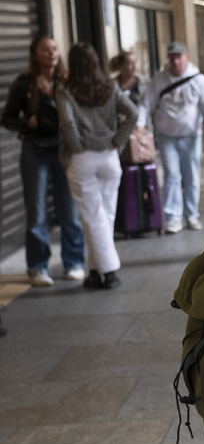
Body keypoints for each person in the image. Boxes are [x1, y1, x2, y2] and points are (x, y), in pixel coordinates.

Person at [1, 37, 86, 287]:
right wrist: (26, 123)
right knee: (36, 210)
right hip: (34, 149)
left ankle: (74, 262)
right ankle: (37, 267)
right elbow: (6, 117)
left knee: (69, 208)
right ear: (35, 55)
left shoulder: (67, 81)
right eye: (45, 49)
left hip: (64, 148)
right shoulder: (24, 84)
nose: (51, 53)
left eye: (54, 49)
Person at [56, 43, 137, 290]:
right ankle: (95, 272)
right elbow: (132, 113)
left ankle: (109, 272)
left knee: (92, 218)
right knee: (104, 216)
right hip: (109, 156)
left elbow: (68, 123)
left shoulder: (65, 90)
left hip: (83, 159)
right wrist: (118, 142)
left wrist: (78, 147)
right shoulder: (109, 87)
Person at [146, 42, 204, 233]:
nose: (175, 61)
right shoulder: (159, 80)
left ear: (187, 56)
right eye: (172, 58)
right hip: (167, 136)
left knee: (192, 177)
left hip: (192, 137)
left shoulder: (198, 80)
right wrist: (139, 125)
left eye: (179, 57)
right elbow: (146, 103)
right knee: (171, 175)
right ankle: (173, 217)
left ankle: (191, 214)